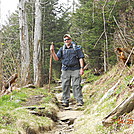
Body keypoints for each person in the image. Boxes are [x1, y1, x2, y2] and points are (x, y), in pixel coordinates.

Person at [50, 34, 85, 107]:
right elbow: (56, 59)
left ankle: (79, 100)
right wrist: (53, 52)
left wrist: (82, 68)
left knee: (76, 85)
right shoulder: (62, 49)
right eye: (65, 40)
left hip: (75, 69)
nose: (66, 41)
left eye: (68, 39)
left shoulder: (76, 48)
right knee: (65, 85)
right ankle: (65, 101)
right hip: (65, 69)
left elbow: (81, 58)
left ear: (71, 40)